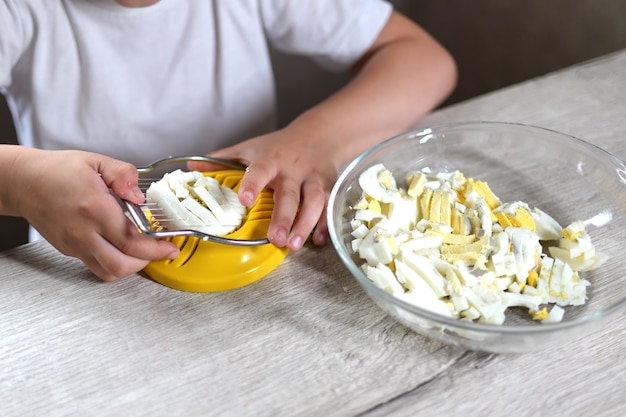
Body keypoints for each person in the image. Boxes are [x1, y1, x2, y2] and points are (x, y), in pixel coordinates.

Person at [0, 0, 457, 282]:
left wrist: (318, 137)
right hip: (80, 264)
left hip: (267, 252)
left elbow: (423, 60)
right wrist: (22, 181)